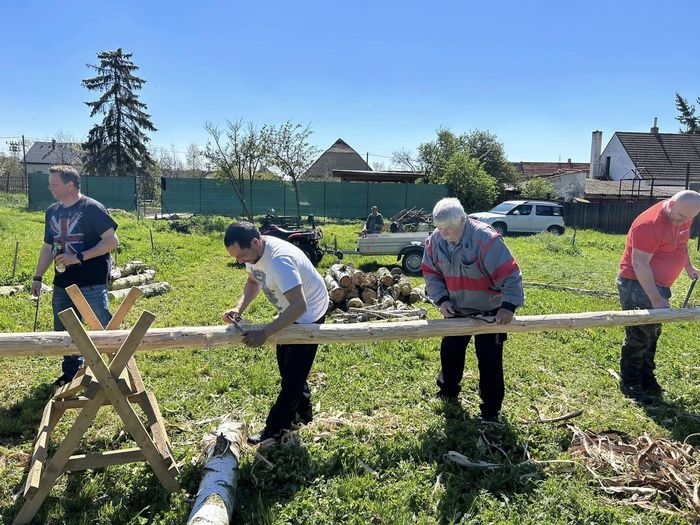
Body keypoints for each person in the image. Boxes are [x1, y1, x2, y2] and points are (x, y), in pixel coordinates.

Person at [222, 221, 329, 445]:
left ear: (255, 242)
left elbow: (299, 306)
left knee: (292, 378)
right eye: (236, 257)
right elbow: (253, 281)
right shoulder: (253, 253)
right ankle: (304, 415)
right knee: (288, 368)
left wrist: (265, 333)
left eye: (241, 256)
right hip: (291, 309)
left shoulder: (280, 261)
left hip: (308, 313)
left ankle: (274, 430)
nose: (239, 261)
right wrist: (238, 309)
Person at [421, 198, 524, 423]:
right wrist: (442, 300)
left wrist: (508, 307)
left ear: (462, 220)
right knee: (450, 353)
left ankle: (491, 410)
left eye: (448, 228)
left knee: (489, 360)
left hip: (490, 312)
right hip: (455, 310)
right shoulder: (435, 241)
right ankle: (448, 391)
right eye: (439, 228)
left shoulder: (485, 239)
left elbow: (510, 274)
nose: (443, 233)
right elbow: (431, 272)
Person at [30, 165, 119, 385]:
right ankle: (71, 374)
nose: (50, 187)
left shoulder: (92, 208)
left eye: (54, 184)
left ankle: (115, 372)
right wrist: (38, 277)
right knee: (65, 330)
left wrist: (78, 257)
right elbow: (47, 248)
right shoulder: (52, 212)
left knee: (102, 327)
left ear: (70, 185)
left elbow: (111, 242)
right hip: (62, 283)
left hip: (91, 282)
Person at [617, 190, 700, 404]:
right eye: (681, 216)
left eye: (689, 218)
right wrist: (656, 299)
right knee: (639, 333)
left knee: (653, 332)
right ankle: (630, 382)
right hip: (637, 284)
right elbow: (640, 264)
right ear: (671, 204)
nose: (683, 221)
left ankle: (646, 376)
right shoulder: (649, 224)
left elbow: (681, 243)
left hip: (661, 285)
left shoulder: (684, 215)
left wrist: (688, 266)